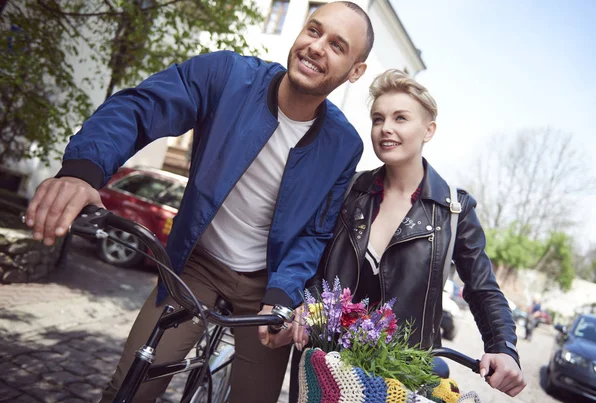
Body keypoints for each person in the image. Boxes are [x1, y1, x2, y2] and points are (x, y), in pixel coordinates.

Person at [24, 2, 374, 402]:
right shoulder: (227, 76)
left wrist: (282, 292)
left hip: (268, 281)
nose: (316, 47)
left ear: (355, 71)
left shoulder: (344, 146)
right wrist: (82, 171)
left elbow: (315, 232)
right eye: (314, 30)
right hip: (197, 263)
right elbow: (143, 107)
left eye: (337, 45)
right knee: (131, 387)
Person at [290, 69, 527, 398]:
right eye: (377, 118)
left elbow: (483, 289)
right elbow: (314, 261)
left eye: (400, 118)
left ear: (428, 130)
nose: (385, 128)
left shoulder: (454, 210)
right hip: (327, 365)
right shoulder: (348, 190)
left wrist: (503, 348)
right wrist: (308, 306)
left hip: (401, 377)